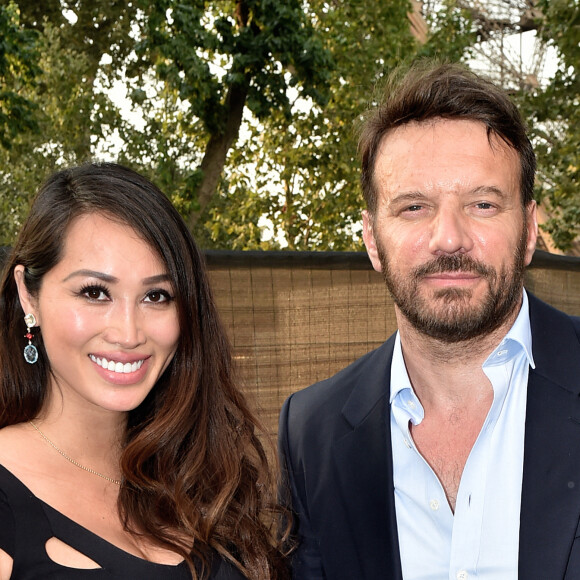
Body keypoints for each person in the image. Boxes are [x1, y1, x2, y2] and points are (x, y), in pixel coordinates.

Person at [278, 60, 580, 579]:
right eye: (414, 207)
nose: (449, 238)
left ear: (529, 230)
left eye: (483, 204)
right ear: (373, 239)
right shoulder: (312, 434)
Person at [0, 163, 289, 580]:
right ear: (28, 295)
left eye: (156, 295)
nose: (129, 332)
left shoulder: (195, 472)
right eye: (95, 293)